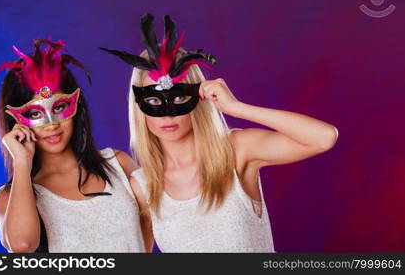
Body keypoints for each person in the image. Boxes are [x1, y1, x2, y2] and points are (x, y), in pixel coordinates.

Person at [100, 14, 338, 252]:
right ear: (138, 108)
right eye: (153, 101)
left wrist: (235, 108)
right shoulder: (143, 187)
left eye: (180, 97)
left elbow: (323, 138)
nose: (167, 115)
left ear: (198, 97)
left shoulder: (236, 151)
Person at [0, 39, 151, 252]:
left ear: (75, 106)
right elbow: (22, 245)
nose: (51, 124)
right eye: (35, 113)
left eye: (59, 107)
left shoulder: (118, 165)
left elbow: (151, 223)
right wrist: (22, 162)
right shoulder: (9, 197)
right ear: (16, 122)